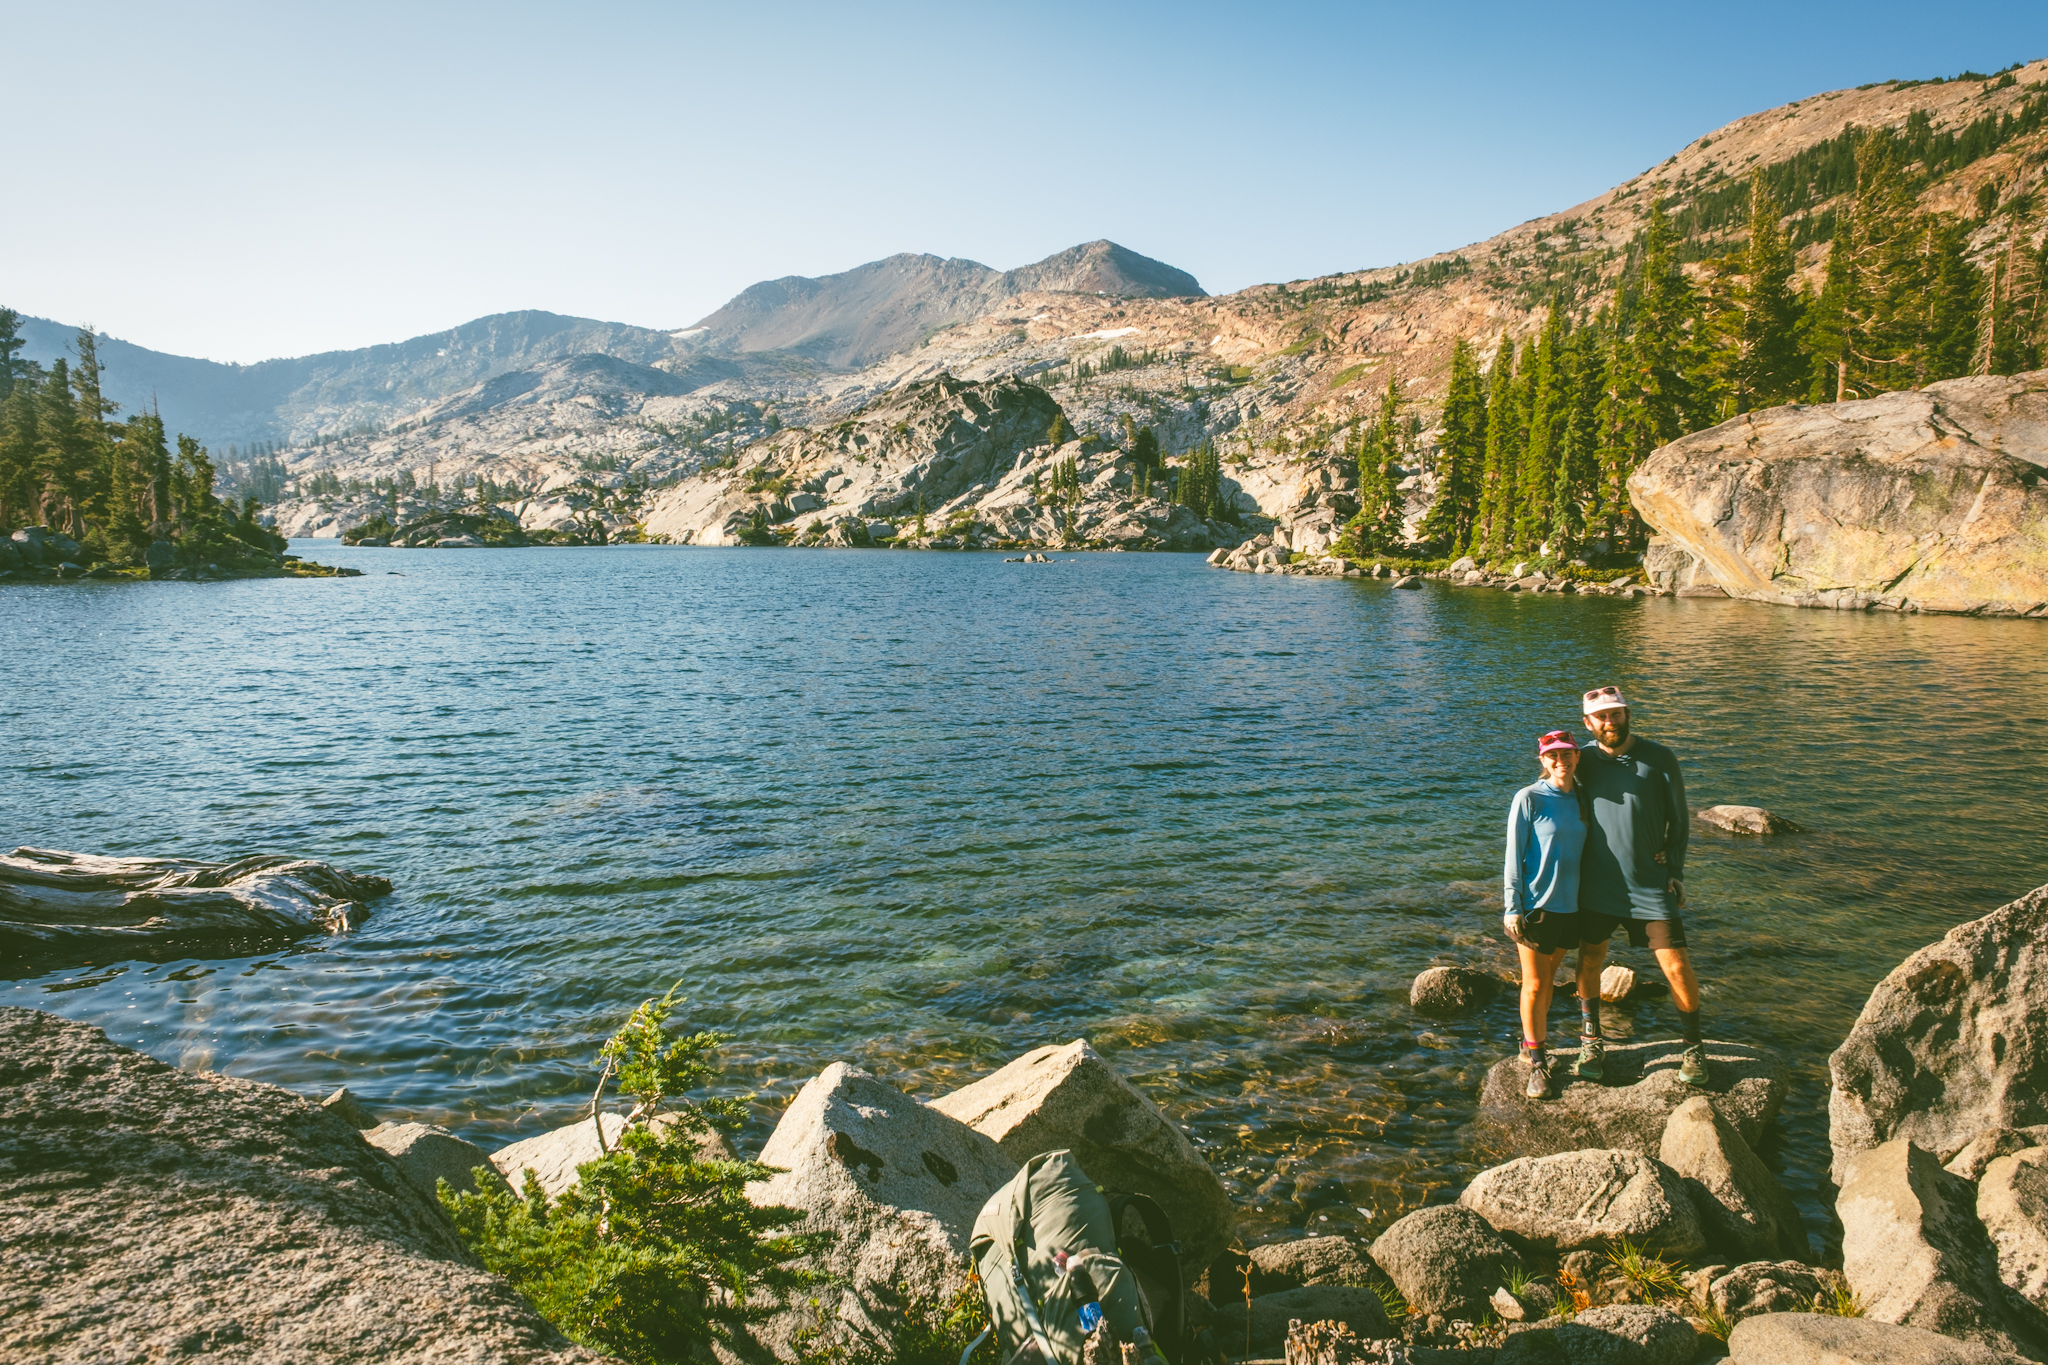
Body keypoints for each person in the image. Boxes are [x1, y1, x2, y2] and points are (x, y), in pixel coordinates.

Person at [1571, 685, 1710, 1086]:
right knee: (1590, 960)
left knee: (1676, 965)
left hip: (1649, 884)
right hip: (1596, 883)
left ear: (1628, 714)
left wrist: (1675, 868)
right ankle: (1591, 1040)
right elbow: (1553, 796)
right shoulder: (1580, 760)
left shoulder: (1659, 757)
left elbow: (1679, 819)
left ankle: (1693, 1047)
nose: (1609, 722)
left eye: (1616, 713)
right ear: (1588, 723)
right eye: (1601, 717)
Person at [1502, 729, 1589, 1100]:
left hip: (1573, 906)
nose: (1560, 760)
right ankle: (1537, 1063)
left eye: (1566, 753)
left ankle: (1529, 1043)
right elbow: (1513, 854)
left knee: (1548, 981)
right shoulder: (1529, 797)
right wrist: (1512, 906)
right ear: (1542, 760)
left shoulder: (1584, 797)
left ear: (1577, 756)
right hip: (1537, 907)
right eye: (1552, 755)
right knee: (1535, 984)